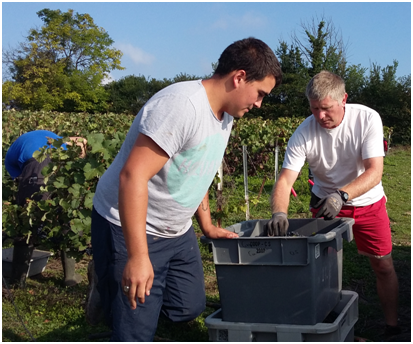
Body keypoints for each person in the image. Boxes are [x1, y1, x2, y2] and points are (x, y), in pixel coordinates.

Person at [88, 37, 282, 341]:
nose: (259, 103)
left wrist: (206, 225)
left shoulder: (227, 115)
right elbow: (132, 178)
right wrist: (138, 257)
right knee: (133, 332)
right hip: (130, 227)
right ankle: (113, 291)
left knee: (187, 308)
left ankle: (114, 291)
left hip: (176, 231)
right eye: (260, 93)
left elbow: (197, 169)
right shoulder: (182, 106)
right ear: (239, 77)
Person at [267, 71, 400, 337]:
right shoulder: (304, 132)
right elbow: (285, 180)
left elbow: (374, 172)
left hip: (366, 202)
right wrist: (279, 212)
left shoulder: (367, 118)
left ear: (343, 100)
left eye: (326, 108)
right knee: (321, 268)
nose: (319, 116)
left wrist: (342, 195)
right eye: (314, 109)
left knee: (382, 264)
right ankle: (324, 323)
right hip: (325, 205)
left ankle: (392, 326)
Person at [4, 130, 87, 287]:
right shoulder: (57, 140)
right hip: (60, 165)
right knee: (67, 220)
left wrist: (25, 191)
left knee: (26, 223)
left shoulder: (13, 154)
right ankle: (69, 278)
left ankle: (17, 281)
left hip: (35, 166)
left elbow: (18, 178)